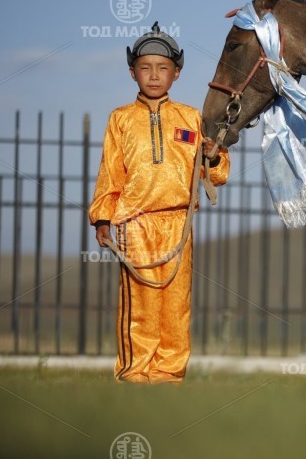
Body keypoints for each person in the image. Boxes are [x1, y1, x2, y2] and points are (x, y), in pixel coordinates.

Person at [88, 22, 229, 384]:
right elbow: (110, 172)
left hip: (179, 224)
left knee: (176, 305)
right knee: (142, 304)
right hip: (135, 223)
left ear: (176, 73)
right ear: (133, 71)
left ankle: (169, 375)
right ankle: (135, 374)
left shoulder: (191, 118)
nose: (154, 75)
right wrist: (103, 218)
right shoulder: (120, 119)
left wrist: (213, 157)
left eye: (162, 68)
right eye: (145, 67)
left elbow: (215, 173)